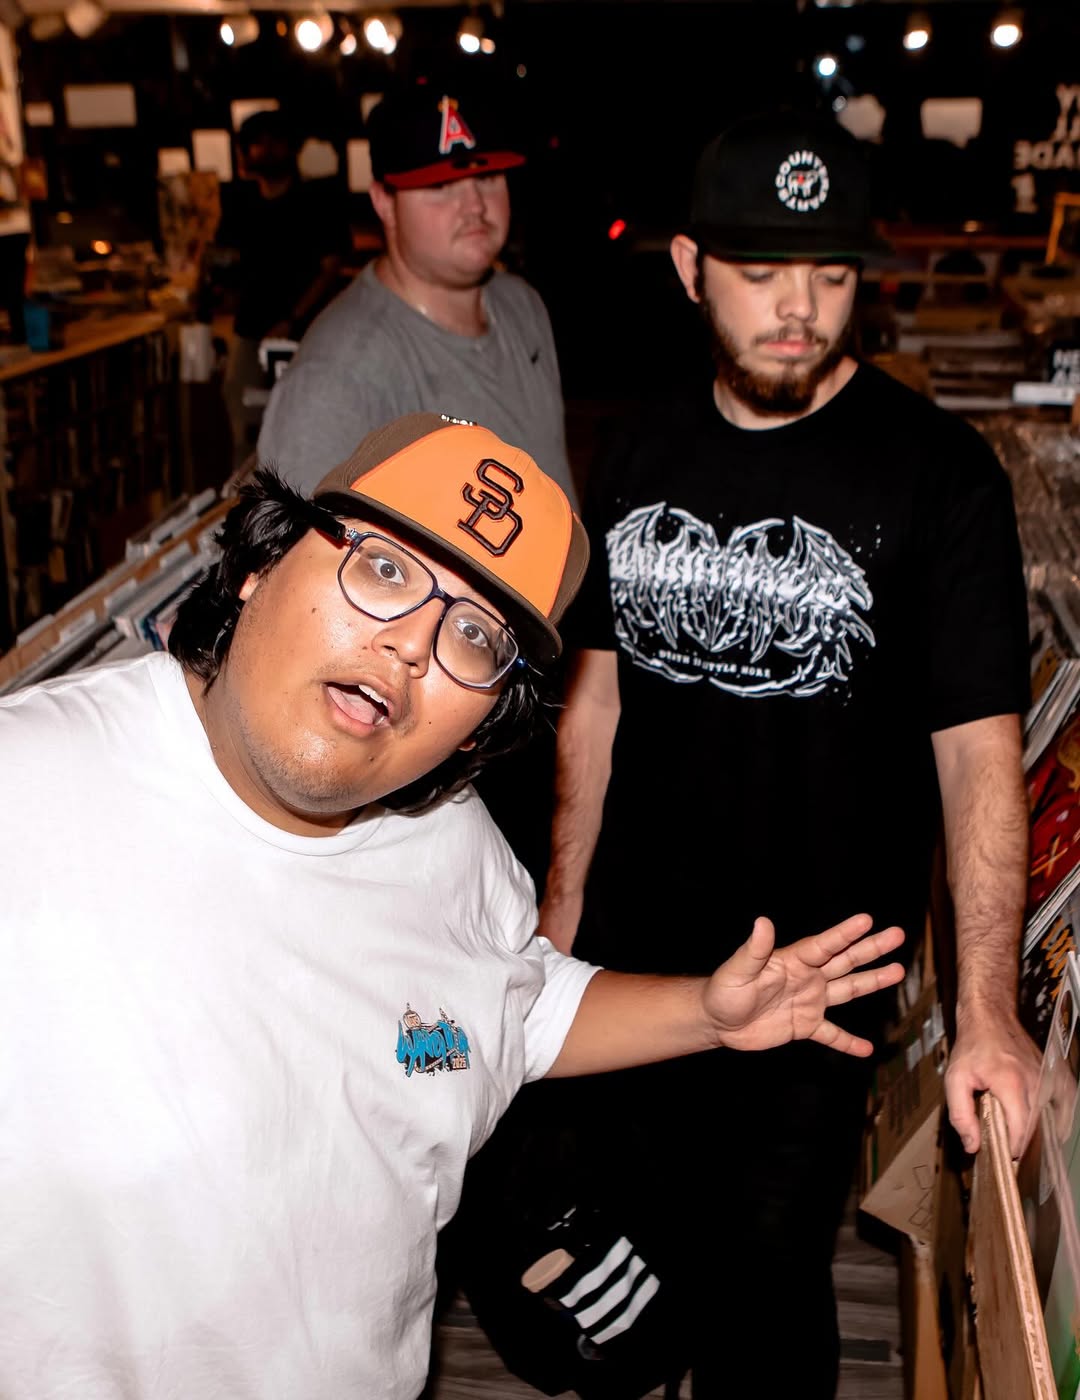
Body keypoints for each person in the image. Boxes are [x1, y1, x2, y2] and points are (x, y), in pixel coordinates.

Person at [0, 411, 903, 1399]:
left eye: (474, 632)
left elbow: (506, 1007)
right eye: (383, 569)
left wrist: (709, 1013)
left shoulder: (456, 846)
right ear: (262, 560)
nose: (412, 647)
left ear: (483, 725)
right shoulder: (32, 783)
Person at [528, 109, 1040, 1398]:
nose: (800, 311)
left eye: (829, 275)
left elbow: (982, 757)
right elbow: (595, 694)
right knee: (655, 1242)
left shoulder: (940, 475)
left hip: (820, 964)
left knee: (764, 1274)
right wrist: (559, 906)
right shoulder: (635, 445)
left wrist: (990, 1010)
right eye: (763, 275)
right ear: (692, 268)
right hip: (638, 946)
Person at [256, 87, 575, 505]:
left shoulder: (523, 306)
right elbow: (294, 559)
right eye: (441, 184)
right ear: (384, 202)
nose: (474, 205)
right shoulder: (336, 375)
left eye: (487, 176)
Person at [213, 108, 348, 467]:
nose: (264, 151)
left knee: (307, 420)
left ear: (290, 148)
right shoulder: (239, 205)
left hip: (304, 333)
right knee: (245, 422)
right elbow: (225, 260)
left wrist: (293, 317)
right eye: (256, 144)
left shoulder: (314, 203)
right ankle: (247, 505)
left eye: (273, 142)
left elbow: (330, 267)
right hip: (251, 330)